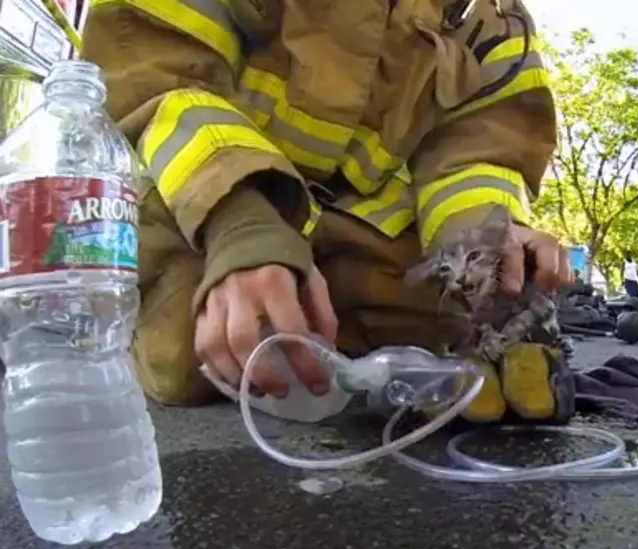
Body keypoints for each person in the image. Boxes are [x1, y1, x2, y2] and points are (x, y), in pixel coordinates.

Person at [80, 0, 573, 424]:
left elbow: (481, 153)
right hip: (196, 203)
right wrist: (242, 228)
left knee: (430, 330)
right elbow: (156, 77)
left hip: (364, 231)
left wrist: (483, 253)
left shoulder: (490, 16)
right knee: (200, 349)